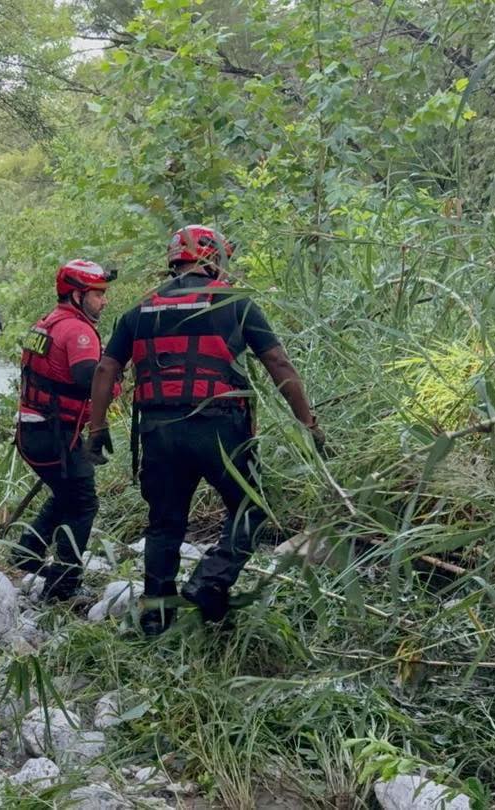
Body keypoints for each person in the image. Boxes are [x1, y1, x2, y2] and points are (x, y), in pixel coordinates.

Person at [85, 225, 326, 635]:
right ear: (214, 258)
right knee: (251, 509)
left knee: (164, 524)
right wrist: (309, 422)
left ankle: (155, 619)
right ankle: (210, 580)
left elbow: (107, 367)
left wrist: (97, 426)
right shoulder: (234, 302)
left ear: (173, 260)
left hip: (160, 432)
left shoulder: (139, 310)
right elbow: (279, 365)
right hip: (220, 427)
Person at [13, 260, 116, 602]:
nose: (104, 301)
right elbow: (91, 380)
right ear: (77, 295)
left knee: (67, 492)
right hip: (53, 435)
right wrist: (116, 383)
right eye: (98, 294)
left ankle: (26, 553)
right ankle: (62, 587)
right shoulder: (78, 332)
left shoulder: (47, 323)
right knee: (83, 503)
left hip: (34, 432)